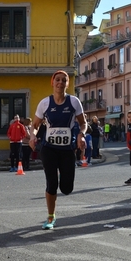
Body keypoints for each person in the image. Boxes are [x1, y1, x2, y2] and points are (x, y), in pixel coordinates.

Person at [29, 70, 86, 230]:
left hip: (67, 149)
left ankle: (62, 174)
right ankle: (50, 216)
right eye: (57, 80)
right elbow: (35, 125)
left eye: (64, 80)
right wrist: (33, 136)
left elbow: (83, 123)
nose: (60, 83)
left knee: (67, 189)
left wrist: (81, 134)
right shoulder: (45, 103)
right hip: (49, 149)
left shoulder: (74, 102)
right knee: (51, 183)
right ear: (52, 82)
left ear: (67, 84)